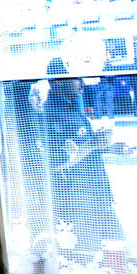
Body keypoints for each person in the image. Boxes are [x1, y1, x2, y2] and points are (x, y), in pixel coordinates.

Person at [41, 59, 125, 256]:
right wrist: (95, 143)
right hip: (79, 201)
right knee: (89, 255)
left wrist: (110, 147)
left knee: (118, 247)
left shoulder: (72, 109)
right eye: (77, 79)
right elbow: (59, 161)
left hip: (98, 194)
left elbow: (82, 149)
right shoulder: (51, 115)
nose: (82, 83)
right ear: (60, 82)